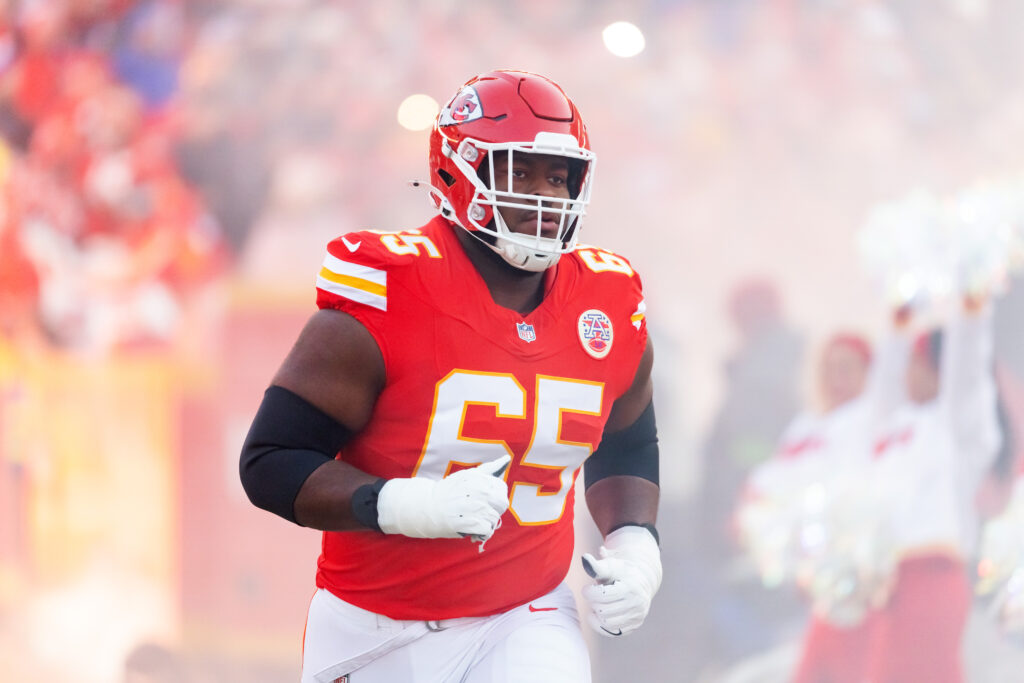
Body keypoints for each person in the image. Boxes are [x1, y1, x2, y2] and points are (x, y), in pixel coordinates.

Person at [239, 70, 662, 683]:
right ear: (456, 173)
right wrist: (404, 503)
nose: (544, 195)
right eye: (518, 172)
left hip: (526, 613)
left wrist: (635, 544)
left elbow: (627, 442)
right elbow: (271, 461)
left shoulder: (607, 299)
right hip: (374, 625)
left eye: (557, 176)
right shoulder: (391, 290)